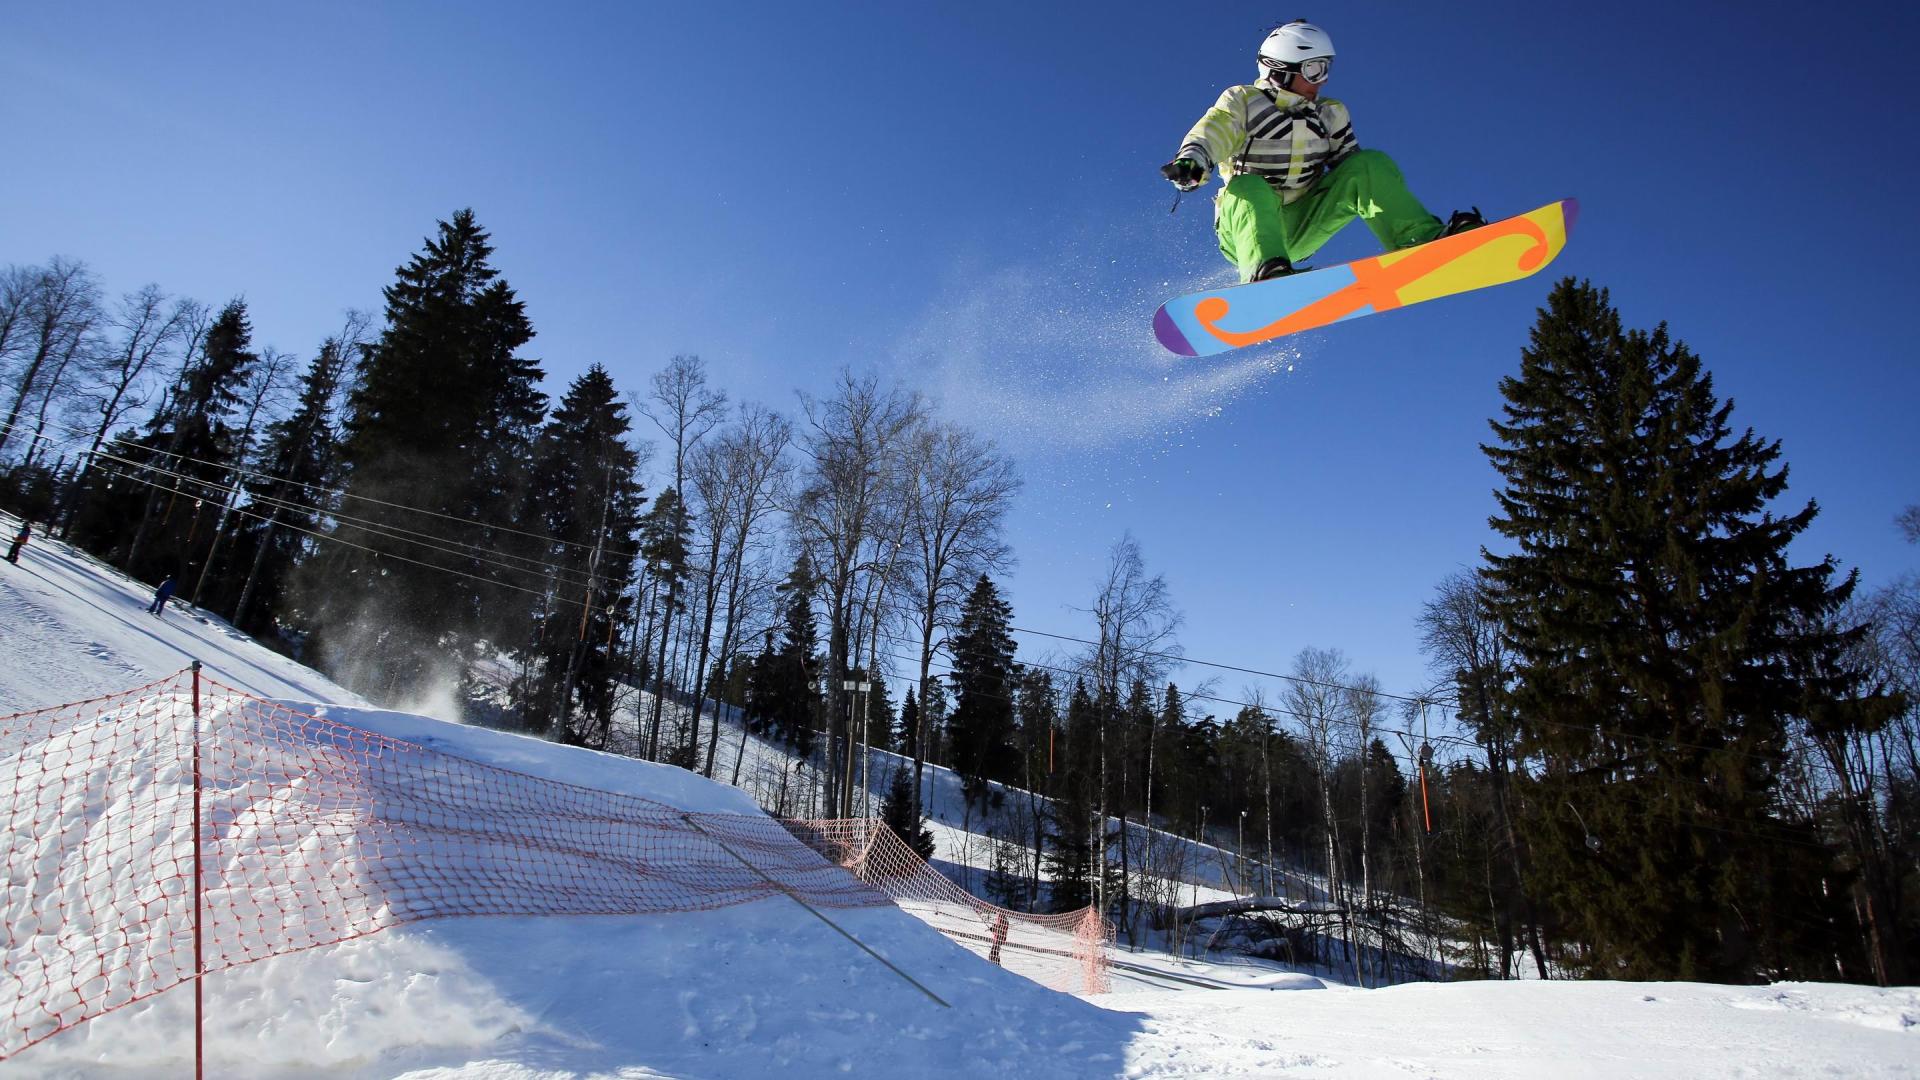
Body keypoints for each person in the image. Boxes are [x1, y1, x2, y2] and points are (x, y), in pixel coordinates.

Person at [1160, 20, 1483, 284]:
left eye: (1326, 69)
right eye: (1313, 70)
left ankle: (1421, 241)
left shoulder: (1330, 113)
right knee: (1250, 185)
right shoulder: (1243, 101)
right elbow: (1215, 130)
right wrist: (1194, 161)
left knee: (1369, 163)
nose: (1322, 81)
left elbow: (1357, 175)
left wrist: (1366, 178)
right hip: (1246, 229)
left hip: (1304, 224)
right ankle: (1264, 272)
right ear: (1280, 68)